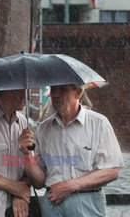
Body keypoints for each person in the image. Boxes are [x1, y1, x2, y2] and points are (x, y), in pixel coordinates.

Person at [19, 84, 124, 217]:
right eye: (54, 89)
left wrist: (71, 185)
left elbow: (112, 172)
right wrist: (27, 154)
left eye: (63, 89)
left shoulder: (99, 124)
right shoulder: (43, 129)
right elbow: (39, 182)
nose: (55, 94)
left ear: (78, 93)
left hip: (87, 202)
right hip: (51, 205)